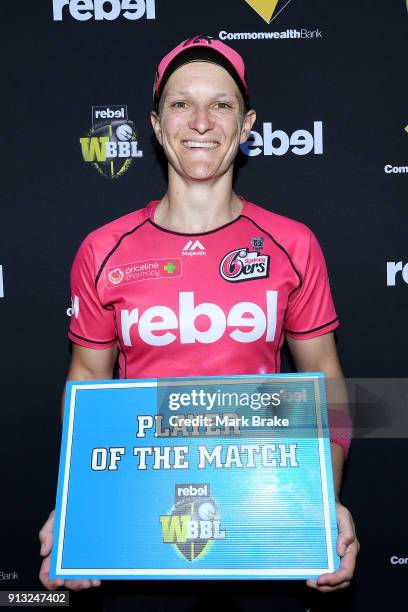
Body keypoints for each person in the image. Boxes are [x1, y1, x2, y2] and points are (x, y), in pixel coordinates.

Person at [39, 35, 359, 608]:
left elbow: (328, 384)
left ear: (246, 124)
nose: (202, 121)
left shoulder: (293, 244)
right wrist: (78, 506)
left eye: (222, 104)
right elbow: (87, 380)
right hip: (139, 525)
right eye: (182, 104)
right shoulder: (103, 249)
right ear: (157, 126)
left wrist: (321, 500)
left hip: (266, 521)